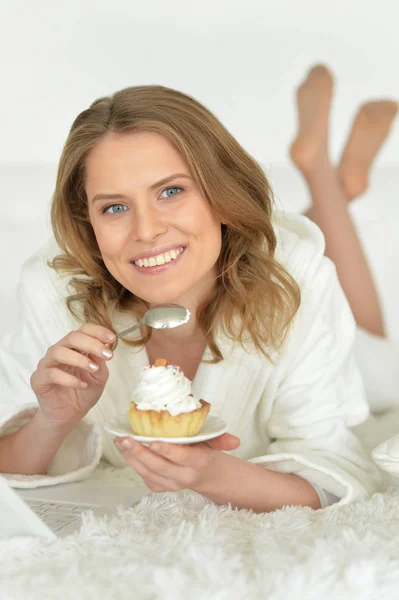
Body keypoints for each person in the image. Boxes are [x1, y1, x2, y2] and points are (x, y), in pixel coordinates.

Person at [0, 84, 380, 512]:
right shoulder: (53, 288)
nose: (146, 231)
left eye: (171, 191)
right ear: (86, 221)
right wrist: (51, 422)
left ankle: (325, 178)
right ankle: (334, 182)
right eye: (114, 208)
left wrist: (215, 475)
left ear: (222, 192)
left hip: (308, 300)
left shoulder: (297, 279)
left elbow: (340, 472)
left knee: (379, 350)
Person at [288, 64, 399, 480]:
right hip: (340, 375)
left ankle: (327, 181)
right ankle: (332, 186)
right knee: (379, 360)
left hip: (330, 371)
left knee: (379, 360)